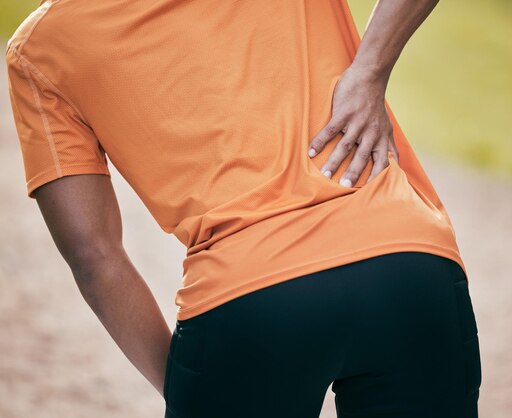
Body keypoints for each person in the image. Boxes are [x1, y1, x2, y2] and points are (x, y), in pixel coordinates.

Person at [5, 0, 482, 416]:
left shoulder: (41, 51)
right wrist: (370, 70)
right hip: (408, 265)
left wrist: (188, 393)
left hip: (247, 302)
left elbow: (95, 257)